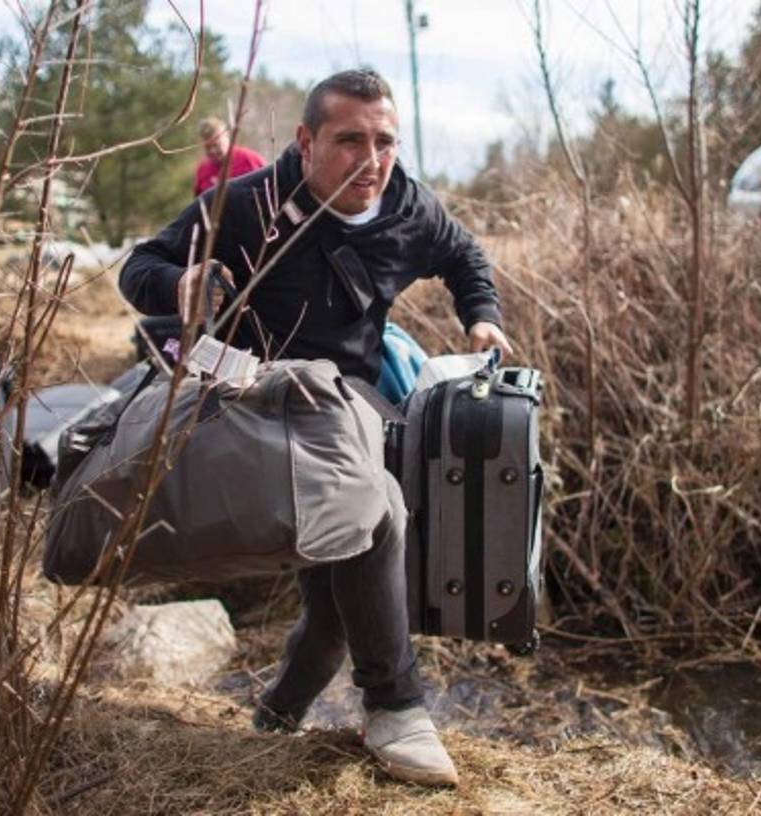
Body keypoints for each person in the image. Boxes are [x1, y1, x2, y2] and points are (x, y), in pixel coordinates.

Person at [119, 69, 511, 787]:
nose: (371, 159)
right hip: (256, 405)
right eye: (349, 140)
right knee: (378, 506)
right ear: (305, 142)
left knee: (336, 607)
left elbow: (464, 257)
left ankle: (273, 720)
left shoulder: (407, 207)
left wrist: (481, 315)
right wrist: (178, 285)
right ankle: (395, 707)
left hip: (352, 398)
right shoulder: (247, 204)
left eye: (385, 141)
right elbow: (141, 264)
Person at [193, 116, 266, 197]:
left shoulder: (249, 159)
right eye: (207, 147)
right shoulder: (203, 170)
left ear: (226, 138)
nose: (212, 151)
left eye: (216, 145)